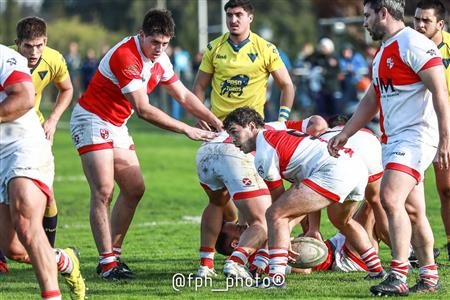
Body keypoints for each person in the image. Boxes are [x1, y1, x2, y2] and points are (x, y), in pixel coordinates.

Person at [70, 9, 222, 281]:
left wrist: (215, 121)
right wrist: (187, 129)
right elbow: (143, 109)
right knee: (103, 190)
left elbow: (184, 96)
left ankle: (113, 256)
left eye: (164, 43)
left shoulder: (160, 58)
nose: (159, 49)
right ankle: (107, 265)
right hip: (92, 119)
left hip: (116, 125)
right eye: (154, 42)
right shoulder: (126, 56)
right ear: (142, 35)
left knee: (134, 189)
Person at [328, 0, 450, 296]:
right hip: (393, 139)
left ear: (384, 13)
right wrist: (345, 133)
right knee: (413, 210)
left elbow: (439, 90)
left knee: (389, 198)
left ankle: (398, 274)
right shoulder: (383, 52)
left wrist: (445, 139)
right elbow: (372, 99)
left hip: (415, 137)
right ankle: (429, 276)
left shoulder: (414, 43)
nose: (365, 22)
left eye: (368, 15)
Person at [224, 107, 385, 288]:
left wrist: (282, 240)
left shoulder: (263, 153)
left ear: (252, 126)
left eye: (234, 132)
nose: (232, 140)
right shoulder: (278, 136)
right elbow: (302, 191)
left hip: (335, 170)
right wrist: (305, 230)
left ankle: (275, 278)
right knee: (343, 221)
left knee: (274, 214)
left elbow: (279, 204)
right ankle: (376, 270)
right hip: (356, 167)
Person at [0, 44, 85, 300]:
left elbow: (24, 98)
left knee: (26, 223)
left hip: (22, 145)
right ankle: (64, 260)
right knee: (13, 248)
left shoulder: (6, 57)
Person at [195, 116, 326, 280]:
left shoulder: (266, 129)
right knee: (267, 219)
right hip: (234, 153)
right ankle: (236, 262)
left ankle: (206, 266)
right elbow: (318, 123)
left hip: (206, 149)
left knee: (215, 203)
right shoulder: (280, 131)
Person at [193, 0, 294, 123]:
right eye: (229, 15)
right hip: (219, 127)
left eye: (238, 15)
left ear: (250, 18)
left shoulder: (266, 48)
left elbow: (287, 85)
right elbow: (199, 85)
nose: (233, 20)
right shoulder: (213, 47)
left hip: (252, 128)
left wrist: (282, 120)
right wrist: (200, 116)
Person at [414, 0, 450, 262]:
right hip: (415, 128)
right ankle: (412, 249)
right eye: (416, 19)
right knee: (399, 192)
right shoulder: (409, 46)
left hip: (445, 125)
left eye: (426, 20)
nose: (419, 24)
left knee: (446, 188)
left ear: (441, 23)